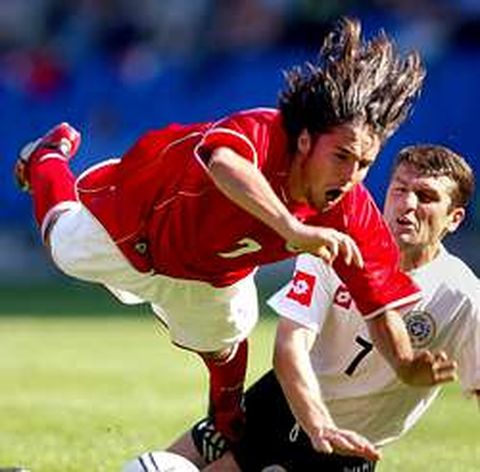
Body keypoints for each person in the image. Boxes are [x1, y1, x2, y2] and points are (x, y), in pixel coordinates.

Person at [14, 17, 446, 452]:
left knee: (228, 333)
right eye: (342, 156)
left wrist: (406, 363)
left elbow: (379, 308)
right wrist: (291, 228)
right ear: (305, 141)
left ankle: (225, 421)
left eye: (365, 164)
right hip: (134, 221)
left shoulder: (351, 211)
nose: (351, 175)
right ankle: (48, 156)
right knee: (61, 242)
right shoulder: (263, 130)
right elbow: (224, 164)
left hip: (211, 271)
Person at [167, 144, 478, 471]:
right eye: (400, 190)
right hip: (283, 400)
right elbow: (290, 345)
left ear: (454, 218)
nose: (408, 204)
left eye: (426, 197)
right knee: (169, 463)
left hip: (348, 446)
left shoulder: (463, 296)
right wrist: (317, 423)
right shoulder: (336, 244)